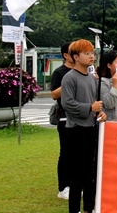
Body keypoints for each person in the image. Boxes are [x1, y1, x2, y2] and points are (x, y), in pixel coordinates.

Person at [60, 39, 107, 213]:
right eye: (87, 53)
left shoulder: (92, 79)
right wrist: (89, 108)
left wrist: (99, 112)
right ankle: (74, 209)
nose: (91, 56)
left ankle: (89, 207)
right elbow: (68, 103)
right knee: (78, 175)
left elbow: (95, 103)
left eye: (92, 53)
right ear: (75, 57)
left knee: (91, 173)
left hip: (91, 128)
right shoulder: (69, 78)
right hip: (76, 131)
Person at [50, 42, 74, 200]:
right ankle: (63, 187)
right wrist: (69, 80)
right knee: (66, 153)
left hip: (84, 118)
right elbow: (54, 94)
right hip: (65, 118)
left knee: (80, 154)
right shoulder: (60, 73)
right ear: (66, 55)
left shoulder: (86, 72)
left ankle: (76, 184)